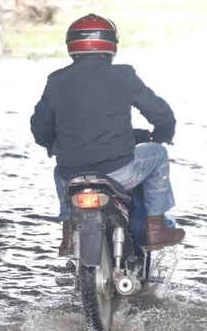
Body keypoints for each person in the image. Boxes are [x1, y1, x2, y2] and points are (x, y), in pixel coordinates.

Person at [30, 14, 186, 256]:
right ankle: (156, 228)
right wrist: (161, 134)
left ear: (72, 47)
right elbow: (161, 113)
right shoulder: (123, 75)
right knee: (158, 154)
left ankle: (69, 234)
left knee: (59, 170)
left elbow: (40, 129)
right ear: (111, 45)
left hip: (73, 176)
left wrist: (55, 145)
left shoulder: (57, 80)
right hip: (119, 174)